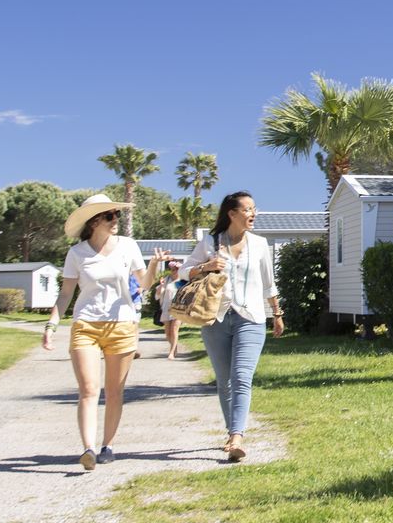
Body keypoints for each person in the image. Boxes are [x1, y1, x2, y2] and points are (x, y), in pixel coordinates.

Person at [43, 193, 171, 470]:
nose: (116, 220)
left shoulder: (128, 246)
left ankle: (107, 445)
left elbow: (145, 284)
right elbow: (66, 294)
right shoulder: (77, 253)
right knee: (88, 389)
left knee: (114, 391)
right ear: (94, 221)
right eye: (110, 216)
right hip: (86, 325)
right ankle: (87, 448)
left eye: (117, 215)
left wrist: (153, 266)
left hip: (122, 325)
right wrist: (51, 325)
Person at [179, 191, 284, 462]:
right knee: (224, 380)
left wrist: (277, 312)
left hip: (251, 318)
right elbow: (182, 271)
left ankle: (237, 436)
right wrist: (205, 266)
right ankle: (231, 432)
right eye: (248, 209)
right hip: (215, 318)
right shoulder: (210, 242)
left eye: (254, 208)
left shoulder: (260, 244)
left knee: (241, 376)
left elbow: (268, 282)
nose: (253, 214)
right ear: (232, 214)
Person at [158, 262, 182, 360]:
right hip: (166, 308)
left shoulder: (182, 281)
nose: (174, 271)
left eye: (176, 269)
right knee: (168, 333)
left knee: (174, 330)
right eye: (173, 269)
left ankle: (171, 352)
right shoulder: (167, 280)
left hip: (178, 309)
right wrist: (161, 286)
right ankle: (174, 347)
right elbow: (158, 294)